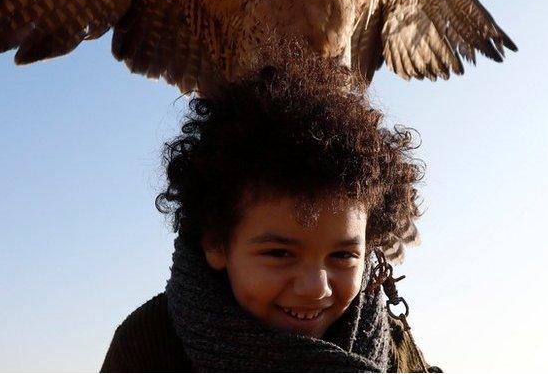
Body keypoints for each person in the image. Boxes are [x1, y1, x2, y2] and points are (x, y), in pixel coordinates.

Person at [100, 49, 438, 372]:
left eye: (343, 256)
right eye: (279, 253)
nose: (315, 288)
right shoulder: (150, 345)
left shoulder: (394, 348)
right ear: (217, 243)